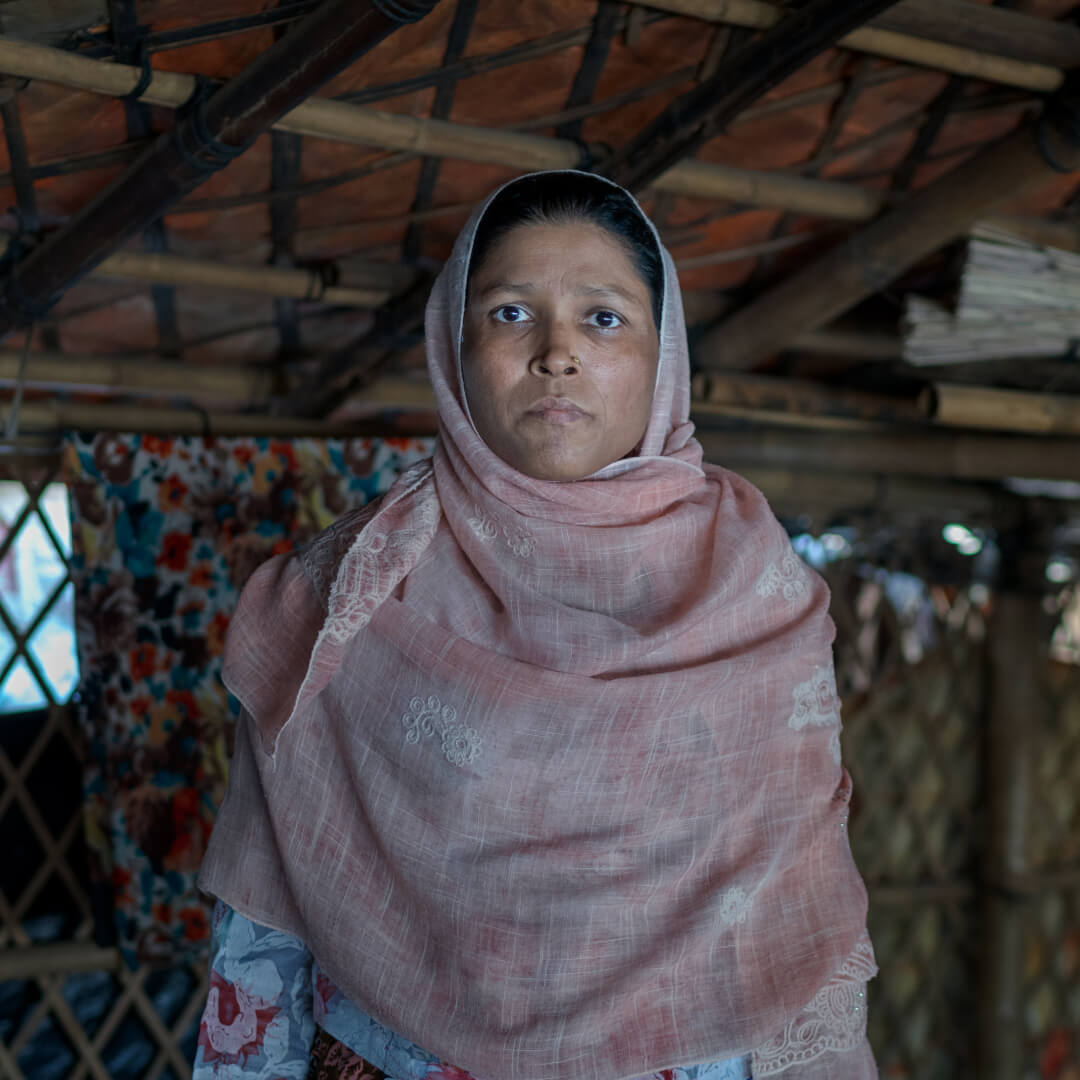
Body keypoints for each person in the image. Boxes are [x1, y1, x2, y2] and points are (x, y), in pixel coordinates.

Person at [194, 170, 876, 1080]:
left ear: (662, 353)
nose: (557, 352)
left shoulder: (758, 589)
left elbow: (801, 918)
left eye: (602, 318)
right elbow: (264, 928)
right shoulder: (352, 587)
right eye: (512, 314)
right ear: (455, 346)